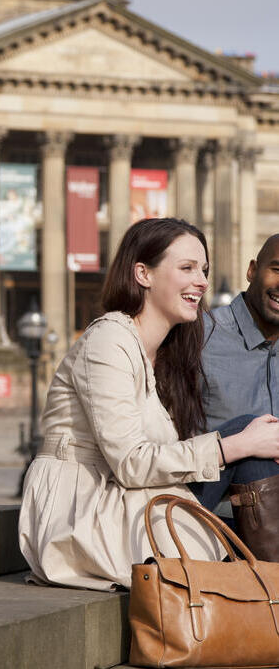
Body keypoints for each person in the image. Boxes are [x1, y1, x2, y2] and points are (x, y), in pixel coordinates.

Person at [18, 218, 279, 591]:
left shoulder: (165, 351)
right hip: (87, 512)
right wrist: (234, 446)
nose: (202, 282)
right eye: (187, 268)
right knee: (245, 436)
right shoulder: (108, 340)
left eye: (203, 270)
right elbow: (130, 463)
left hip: (132, 500)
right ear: (143, 273)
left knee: (251, 441)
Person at [201, 234, 279, 555]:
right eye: (277, 269)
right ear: (251, 270)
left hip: (269, 525)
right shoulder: (200, 337)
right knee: (252, 440)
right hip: (209, 514)